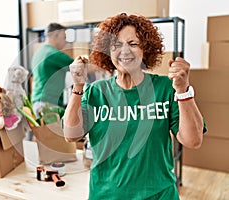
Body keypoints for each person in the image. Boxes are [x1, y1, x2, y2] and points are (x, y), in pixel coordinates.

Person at [63, 13, 206, 200]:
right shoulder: (96, 92)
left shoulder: (165, 89)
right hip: (106, 195)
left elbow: (193, 140)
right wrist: (78, 86)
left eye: (133, 44)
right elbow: (71, 135)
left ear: (145, 49)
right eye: (116, 45)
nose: (125, 51)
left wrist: (183, 90)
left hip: (159, 195)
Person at [31, 23, 74, 117]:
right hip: (48, 104)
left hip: (38, 101)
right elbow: (80, 67)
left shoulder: (39, 53)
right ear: (56, 35)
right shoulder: (52, 54)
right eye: (64, 37)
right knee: (59, 131)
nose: (65, 42)